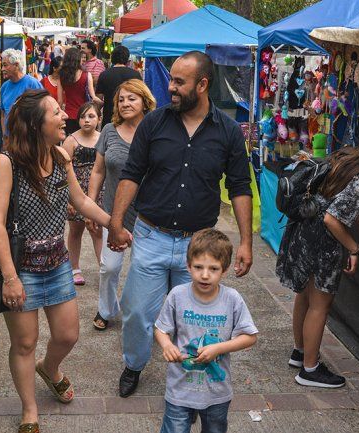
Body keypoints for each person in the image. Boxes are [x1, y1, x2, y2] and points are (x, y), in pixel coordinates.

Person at [107, 51, 255, 398]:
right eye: (171, 79)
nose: (170, 87)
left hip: (199, 246)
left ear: (202, 85)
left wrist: (246, 242)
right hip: (151, 235)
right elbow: (131, 174)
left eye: (179, 82)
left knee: (193, 317)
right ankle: (134, 363)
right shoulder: (154, 123)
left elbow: (239, 187)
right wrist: (115, 223)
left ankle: (189, 370)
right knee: (136, 312)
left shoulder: (229, 132)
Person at [0, 89, 114, 433]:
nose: (64, 118)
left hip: (57, 263)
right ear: (35, 124)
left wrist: (113, 224)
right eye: (56, 113)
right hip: (20, 268)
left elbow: (82, 202)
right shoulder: (7, 162)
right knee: (24, 343)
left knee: (68, 335)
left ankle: (50, 368)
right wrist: (10, 277)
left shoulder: (61, 158)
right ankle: (29, 410)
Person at [276, 119, 359, 389]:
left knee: (304, 294)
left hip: (303, 230)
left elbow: (331, 197)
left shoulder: (347, 155)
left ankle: (300, 353)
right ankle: (310, 370)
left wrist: (357, 218)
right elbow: (332, 220)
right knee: (320, 306)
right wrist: (354, 247)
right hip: (322, 243)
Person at [155, 228, 258, 433]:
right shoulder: (177, 295)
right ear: (188, 266)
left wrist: (219, 348)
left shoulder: (232, 299)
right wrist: (166, 345)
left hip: (217, 392)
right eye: (198, 267)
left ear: (225, 270)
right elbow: (160, 328)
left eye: (213, 269)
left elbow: (250, 336)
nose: (204, 275)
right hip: (179, 388)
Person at [88, 79, 156, 331]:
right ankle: (106, 309)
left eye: (132, 98)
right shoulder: (108, 130)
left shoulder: (155, 131)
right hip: (112, 213)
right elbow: (97, 171)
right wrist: (90, 204)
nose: (125, 103)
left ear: (144, 101)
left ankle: (140, 314)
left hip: (148, 216)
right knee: (109, 267)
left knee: (143, 270)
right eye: (121, 99)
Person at [61, 102, 103, 286]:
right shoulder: (71, 140)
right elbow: (62, 169)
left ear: (99, 119)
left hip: (98, 191)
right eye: (83, 117)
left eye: (91, 116)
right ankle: (74, 267)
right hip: (76, 190)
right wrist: (68, 199)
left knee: (97, 230)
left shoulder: (103, 139)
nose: (86, 120)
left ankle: (103, 266)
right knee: (75, 231)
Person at [58, 47, 102, 135]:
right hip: (84, 115)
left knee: (71, 141)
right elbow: (93, 97)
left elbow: (60, 100)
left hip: (69, 115)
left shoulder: (61, 76)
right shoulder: (87, 75)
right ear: (78, 59)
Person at [0, 49, 43, 137]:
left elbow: (43, 110)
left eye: (5, 65)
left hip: (29, 139)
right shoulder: (4, 87)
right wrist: (5, 136)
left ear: (16, 65)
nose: (2, 69)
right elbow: (3, 114)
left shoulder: (33, 84)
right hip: (11, 139)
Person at [95, 46, 141, 128]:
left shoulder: (104, 75)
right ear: (127, 59)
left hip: (110, 118)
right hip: (131, 117)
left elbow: (99, 99)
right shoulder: (135, 74)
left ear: (112, 58)